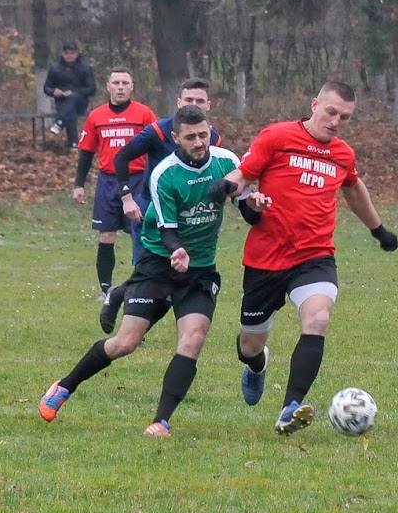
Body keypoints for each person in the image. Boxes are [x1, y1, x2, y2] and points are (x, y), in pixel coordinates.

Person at [40, 105, 270, 436]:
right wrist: (176, 251)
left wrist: (255, 205)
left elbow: (245, 209)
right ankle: (64, 386)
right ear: (176, 138)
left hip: (200, 270)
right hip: (159, 264)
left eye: (203, 134)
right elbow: (167, 230)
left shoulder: (227, 162)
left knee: (193, 339)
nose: (199, 142)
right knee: (126, 342)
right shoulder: (165, 173)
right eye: (190, 137)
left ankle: (161, 421)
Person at [209, 81, 398, 436]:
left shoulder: (343, 154)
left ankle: (290, 407)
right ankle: (256, 366)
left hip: (314, 256)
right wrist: (225, 187)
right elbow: (244, 175)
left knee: (318, 318)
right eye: (331, 112)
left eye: (344, 117)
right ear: (314, 104)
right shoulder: (277, 137)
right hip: (265, 260)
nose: (336, 122)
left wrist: (378, 230)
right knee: (249, 345)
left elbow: (354, 190)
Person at [98, 78, 224, 333]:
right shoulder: (158, 131)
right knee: (147, 269)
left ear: (209, 106)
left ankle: (119, 295)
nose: (194, 104)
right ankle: (131, 324)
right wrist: (127, 197)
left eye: (199, 101)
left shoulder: (211, 139)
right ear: (178, 103)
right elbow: (122, 157)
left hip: (188, 218)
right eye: (188, 100)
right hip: (151, 215)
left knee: (169, 271)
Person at [73, 67, 157, 301]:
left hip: (138, 179)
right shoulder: (96, 116)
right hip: (108, 182)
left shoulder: (144, 114)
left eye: (125, 83)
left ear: (132, 87)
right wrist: (79, 184)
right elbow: (86, 152)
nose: (120, 87)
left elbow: (158, 146)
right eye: (116, 83)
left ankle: (140, 287)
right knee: (106, 235)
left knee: (140, 234)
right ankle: (106, 290)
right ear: (108, 87)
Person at [43, 41, 97, 149]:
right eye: (67, 53)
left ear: (77, 54)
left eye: (72, 53)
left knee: (74, 98)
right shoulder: (55, 68)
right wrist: (54, 92)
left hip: (80, 103)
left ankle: (59, 122)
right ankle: (73, 144)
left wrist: (74, 92)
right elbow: (46, 88)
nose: (69, 55)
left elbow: (92, 89)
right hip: (62, 103)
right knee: (70, 112)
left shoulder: (85, 68)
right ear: (63, 54)